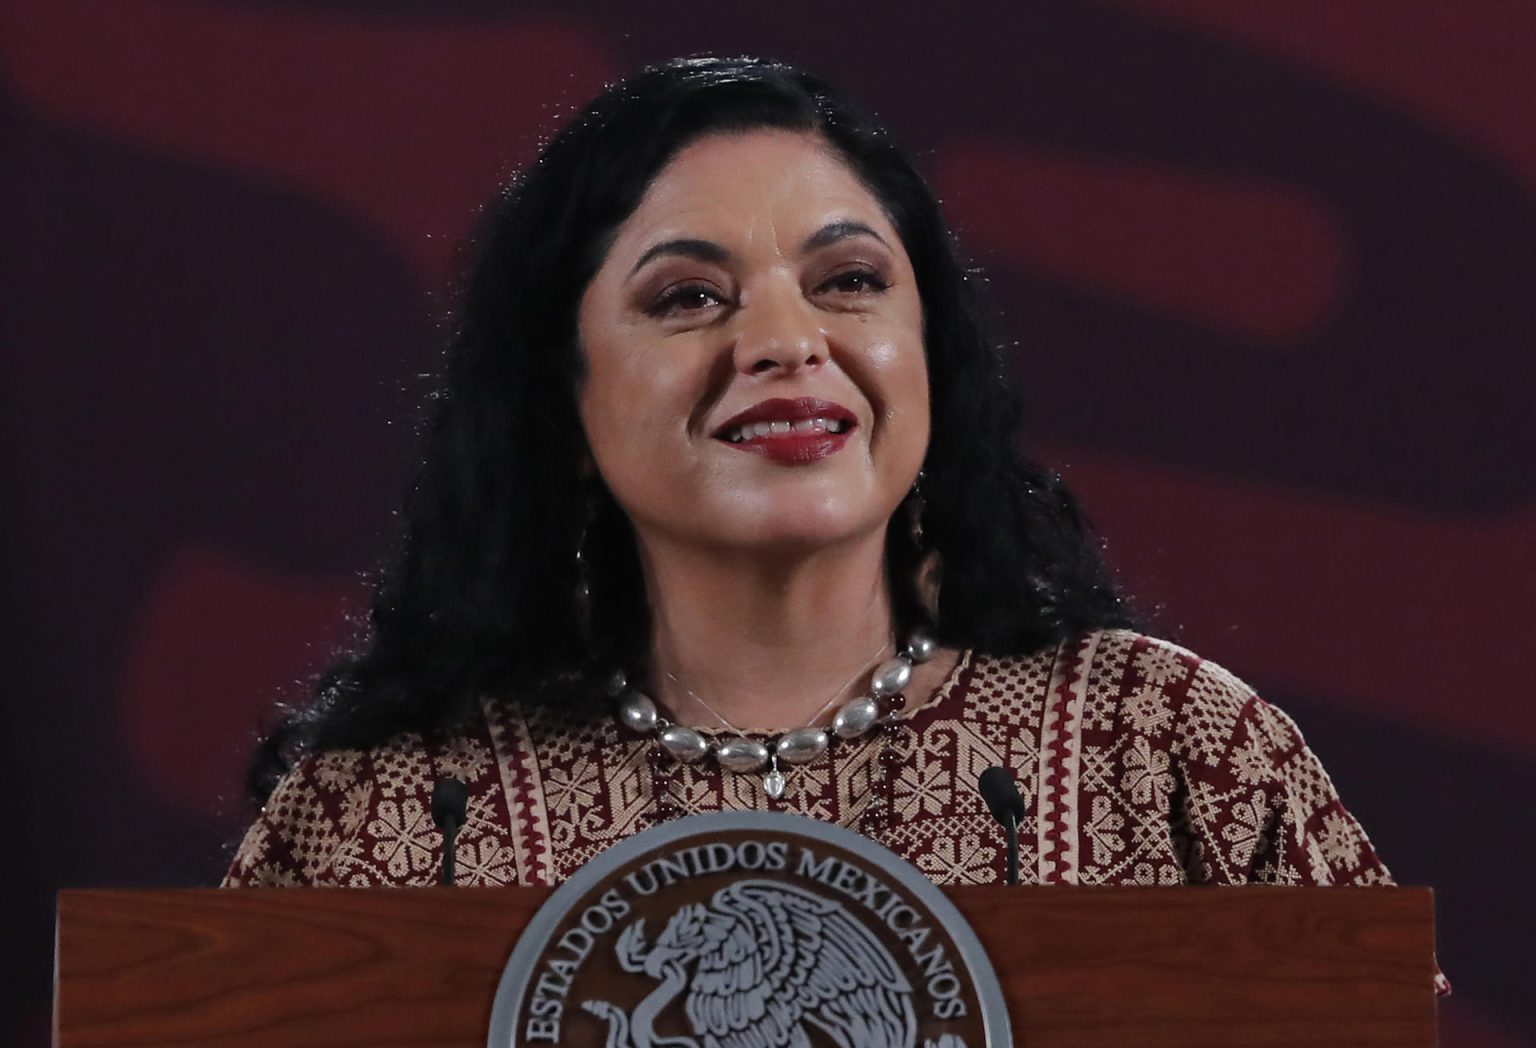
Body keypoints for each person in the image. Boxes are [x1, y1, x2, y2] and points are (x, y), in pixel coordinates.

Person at [225, 55, 1393, 893]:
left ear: (929, 356)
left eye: (848, 281)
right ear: (565, 404)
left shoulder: (1169, 747)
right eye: (688, 297)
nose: (789, 341)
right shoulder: (394, 812)